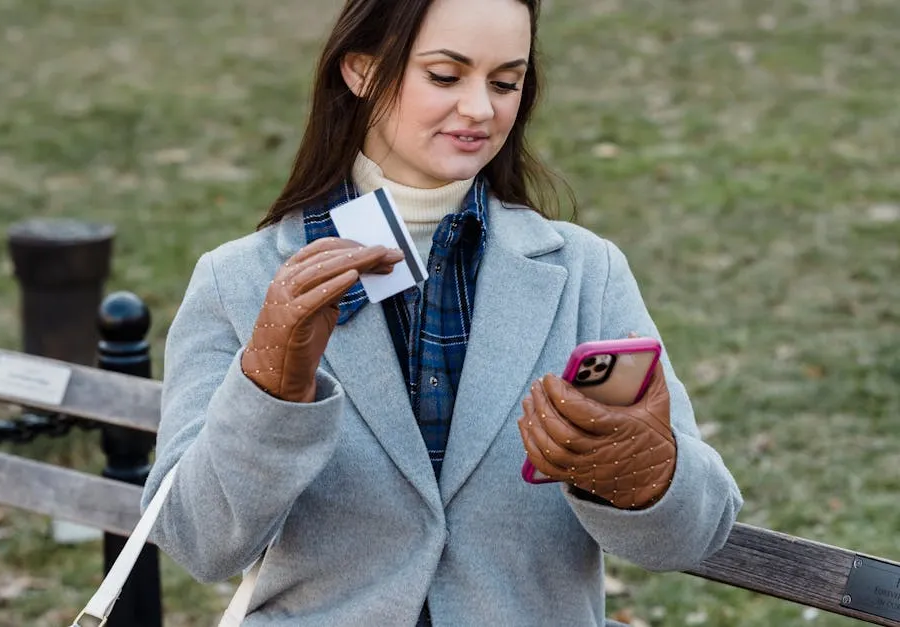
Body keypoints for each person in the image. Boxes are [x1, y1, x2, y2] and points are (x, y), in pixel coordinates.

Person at [142, 0, 743, 624]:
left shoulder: (587, 272)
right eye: (446, 75)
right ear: (360, 71)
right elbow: (196, 541)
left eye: (505, 83)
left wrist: (645, 473)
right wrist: (270, 389)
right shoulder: (238, 279)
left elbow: (695, 535)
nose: (481, 108)